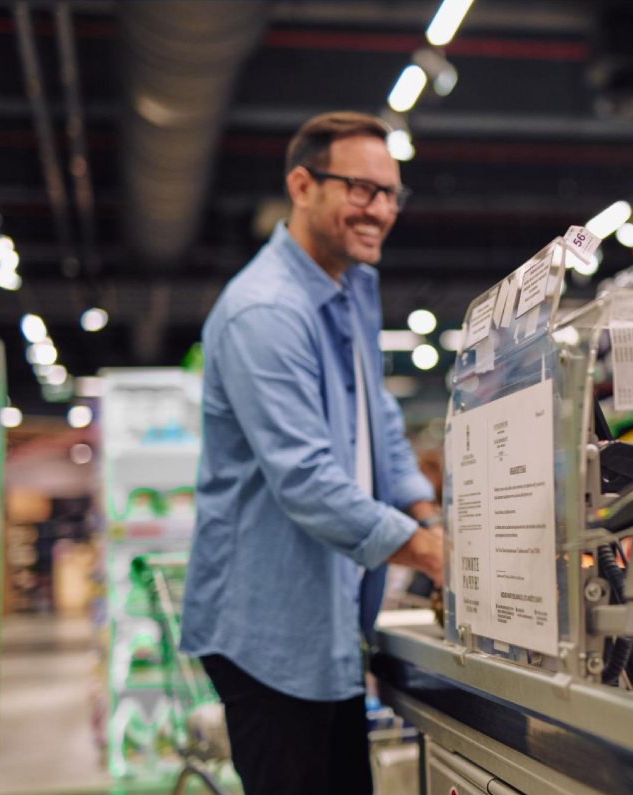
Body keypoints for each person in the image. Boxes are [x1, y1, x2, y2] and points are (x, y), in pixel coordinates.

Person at [180, 111, 444, 794]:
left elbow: (380, 420)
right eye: (361, 189)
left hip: (326, 620)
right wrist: (430, 554)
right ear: (302, 186)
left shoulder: (349, 287)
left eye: (391, 193)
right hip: (268, 629)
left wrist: (427, 512)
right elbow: (305, 479)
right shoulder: (265, 311)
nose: (380, 210)